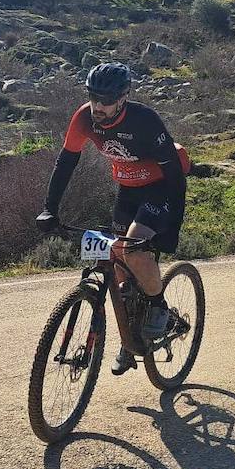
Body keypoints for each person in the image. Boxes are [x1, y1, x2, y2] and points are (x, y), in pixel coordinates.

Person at [37, 62, 188, 375]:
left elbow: (175, 175)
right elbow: (65, 163)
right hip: (128, 190)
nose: (99, 107)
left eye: (106, 101)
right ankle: (129, 334)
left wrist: (173, 226)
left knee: (133, 248)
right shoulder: (83, 118)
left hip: (159, 189)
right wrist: (49, 207)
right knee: (117, 261)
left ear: (123, 98)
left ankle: (159, 306)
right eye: (94, 99)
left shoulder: (145, 120)